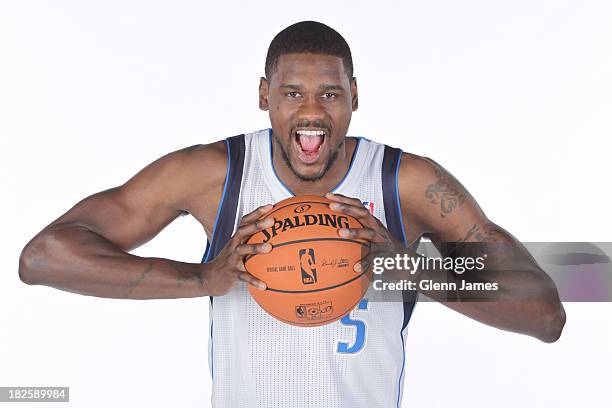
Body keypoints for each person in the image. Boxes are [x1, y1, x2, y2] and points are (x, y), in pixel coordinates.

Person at [18, 20, 565, 408]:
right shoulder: (213, 175)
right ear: (264, 95)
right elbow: (43, 258)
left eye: (329, 93)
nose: (310, 111)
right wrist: (204, 277)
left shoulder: (408, 182)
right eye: (291, 93)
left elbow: (545, 313)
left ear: (354, 95)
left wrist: (407, 269)